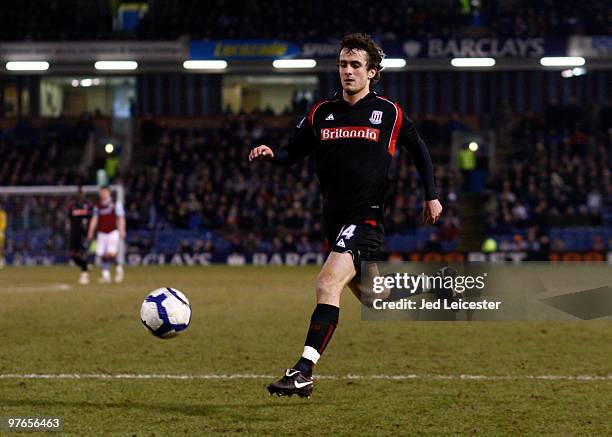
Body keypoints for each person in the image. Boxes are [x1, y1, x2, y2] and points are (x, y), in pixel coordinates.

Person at [249, 33, 442, 397]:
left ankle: (303, 370)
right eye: (343, 65)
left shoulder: (389, 113)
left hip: (366, 217)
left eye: (356, 65)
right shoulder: (321, 113)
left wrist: (431, 196)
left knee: (326, 284)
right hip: (334, 220)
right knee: (375, 299)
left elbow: (419, 150)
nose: (348, 71)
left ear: (372, 72)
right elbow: (293, 152)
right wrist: (271, 154)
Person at [87, 186, 126, 283]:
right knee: (101, 254)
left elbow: (121, 217)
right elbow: (95, 219)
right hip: (101, 232)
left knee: (111, 253)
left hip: (113, 231)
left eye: (104, 192)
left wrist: (122, 230)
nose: (102, 194)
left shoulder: (115, 204)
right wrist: (90, 231)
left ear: (108, 193)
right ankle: (106, 275)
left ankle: (119, 269)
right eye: (101, 192)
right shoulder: (98, 206)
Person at [66, 187, 93, 284]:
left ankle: (84, 273)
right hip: (74, 232)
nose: (80, 195)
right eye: (79, 193)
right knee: (72, 254)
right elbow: (68, 217)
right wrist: (68, 226)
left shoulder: (88, 204)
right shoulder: (72, 205)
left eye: (81, 193)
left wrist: (90, 231)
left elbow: (92, 218)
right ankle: (85, 266)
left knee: (82, 252)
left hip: (84, 233)